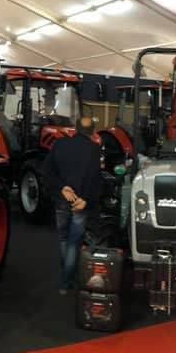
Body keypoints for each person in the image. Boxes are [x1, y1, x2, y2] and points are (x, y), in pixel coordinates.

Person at [42, 116, 102, 294]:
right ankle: (66, 282)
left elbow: (47, 171)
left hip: (62, 200)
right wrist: (85, 200)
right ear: (92, 131)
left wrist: (62, 187)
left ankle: (66, 276)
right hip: (79, 203)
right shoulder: (94, 149)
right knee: (73, 243)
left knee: (63, 239)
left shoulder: (59, 144)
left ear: (75, 128)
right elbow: (94, 179)